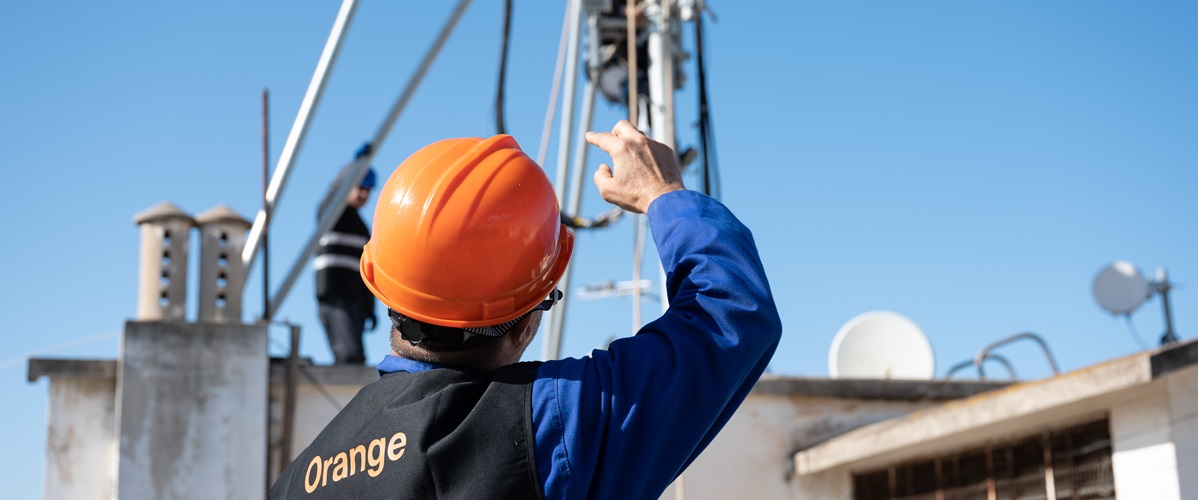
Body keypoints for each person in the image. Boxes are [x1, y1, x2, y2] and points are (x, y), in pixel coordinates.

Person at [271, 121, 781, 498]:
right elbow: (730, 312)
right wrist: (663, 193)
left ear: (383, 286)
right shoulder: (554, 424)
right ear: (529, 316)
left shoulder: (297, 479)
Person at [314, 148, 378, 365]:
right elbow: (334, 193)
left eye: (367, 190)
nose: (362, 194)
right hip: (334, 296)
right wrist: (356, 165)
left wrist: (370, 307)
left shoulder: (362, 228)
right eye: (358, 187)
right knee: (348, 354)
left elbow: (368, 269)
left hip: (355, 300)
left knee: (357, 355)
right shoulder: (331, 215)